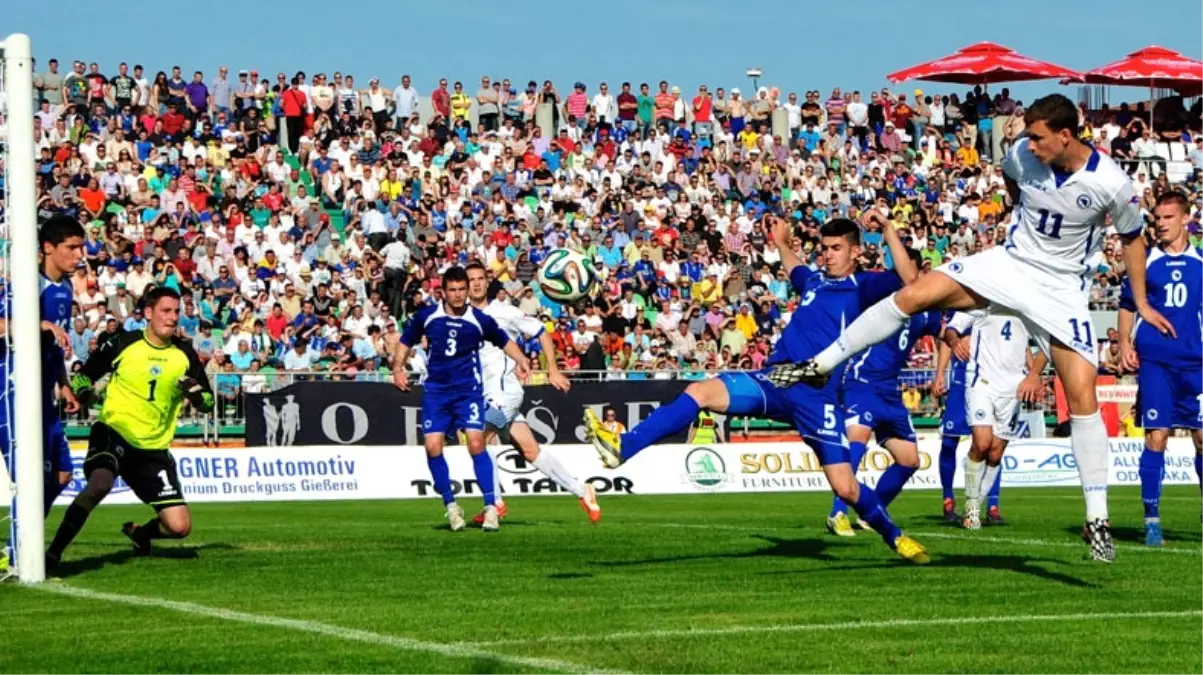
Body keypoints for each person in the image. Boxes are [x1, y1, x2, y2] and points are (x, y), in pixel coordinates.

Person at [767, 94, 1170, 563]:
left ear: (1065, 136)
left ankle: (1097, 520)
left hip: (1060, 289)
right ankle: (818, 364)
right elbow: (1013, 174)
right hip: (1011, 263)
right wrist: (1020, 208)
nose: (1029, 144)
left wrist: (1139, 300)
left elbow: (1132, 239)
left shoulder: (1111, 183)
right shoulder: (1023, 154)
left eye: (1038, 137)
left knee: (1082, 396)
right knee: (914, 294)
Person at [584, 215, 931, 564]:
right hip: (776, 380)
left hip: (817, 395)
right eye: (823, 249)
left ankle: (896, 537)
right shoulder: (813, 281)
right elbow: (795, 267)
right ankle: (624, 446)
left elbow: (909, 279)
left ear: (855, 252)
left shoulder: (864, 287)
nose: (827, 255)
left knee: (845, 488)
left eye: (836, 249)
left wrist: (887, 229)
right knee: (700, 391)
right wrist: (781, 242)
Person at [45, 287, 214, 569]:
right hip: (114, 430)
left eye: (176, 312)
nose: (173, 318)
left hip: (153, 447)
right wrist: (85, 392)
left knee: (179, 527)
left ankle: (140, 533)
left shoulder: (185, 354)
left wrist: (196, 394)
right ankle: (53, 553)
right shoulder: (123, 342)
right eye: (166, 311)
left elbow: (208, 402)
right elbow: (83, 378)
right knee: (99, 484)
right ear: (148, 313)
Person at [391, 266, 530, 533]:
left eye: (461, 290)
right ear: (443, 291)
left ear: (467, 291)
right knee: (432, 447)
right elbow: (405, 341)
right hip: (437, 392)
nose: (457, 295)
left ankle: (491, 507)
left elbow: (504, 341)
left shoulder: (479, 319)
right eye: (452, 290)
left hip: (468, 392)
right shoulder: (428, 316)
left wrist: (522, 359)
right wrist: (398, 367)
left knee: (476, 443)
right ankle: (452, 506)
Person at [464, 264, 600, 525]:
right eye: (471, 280)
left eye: (481, 278)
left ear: (487, 282)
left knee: (479, 438)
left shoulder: (504, 312)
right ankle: (582, 491)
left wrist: (553, 370)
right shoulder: (463, 317)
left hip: (505, 391)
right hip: (483, 393)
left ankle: (495, 503)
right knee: (529, 450)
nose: (477, 284)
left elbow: (542, 332)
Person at [0, 216, 85, 573]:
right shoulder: (22, 284)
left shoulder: (64, 288)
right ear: (47, 248)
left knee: (63, 474)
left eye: (80, 247)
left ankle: (20, 539)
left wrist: (63, 383)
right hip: (12, 389)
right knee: (29, 473)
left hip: (43, 394)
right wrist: (37, 324)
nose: (79, 255)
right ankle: (16, 552)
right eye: (71, 247)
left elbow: (54, 345)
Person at [1118, 191, 1203, 547]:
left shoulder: (1201, 262)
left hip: (1196, 363)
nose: (1161, 224)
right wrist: (1124, 343)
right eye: (1157, 218)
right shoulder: (1147, 259)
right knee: (1157, 437)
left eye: (1168, 217)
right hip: (1156, 362)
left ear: (1186, 218)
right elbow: (1126, 304)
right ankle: (1152, 519)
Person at [826, 288, 942, 538]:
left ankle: (872, 511)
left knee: (910, 460)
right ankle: (838, 513)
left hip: (891, 392)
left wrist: (955, 342)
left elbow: (945, 332)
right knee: (857, 439)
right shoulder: (883, 301)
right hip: (863, 383)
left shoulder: (924, 314)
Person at [945, 309, 1045, 530]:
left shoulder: (1026, 302)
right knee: (981, 442)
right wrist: (955, 341)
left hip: (1014, 387)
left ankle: (977, 504)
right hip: (982, 381)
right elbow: (951, 329)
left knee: (996, 453)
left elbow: (1047, 342)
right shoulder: (982, 299)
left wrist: (1034, 374)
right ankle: (971, 505)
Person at [932, 314, 1002, 523]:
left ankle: (992, 505)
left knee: (993, 445)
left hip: (990, 381)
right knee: (949, 442)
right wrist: (939, 375)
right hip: (961, 381)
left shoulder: (999, 304)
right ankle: (948, 499)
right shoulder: (962, 307)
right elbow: (947, 341)